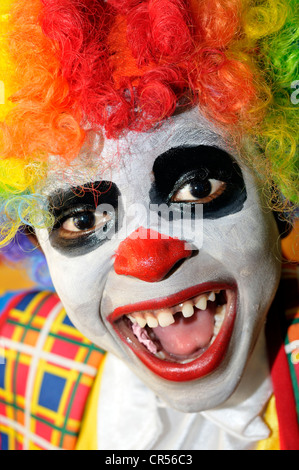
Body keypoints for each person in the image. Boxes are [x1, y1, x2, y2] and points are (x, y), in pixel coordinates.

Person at [0, 0, 298, 450]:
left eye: (198, 189)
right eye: (83, 219)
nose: (148, 260)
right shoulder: (15, 353)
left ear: (277, 193)